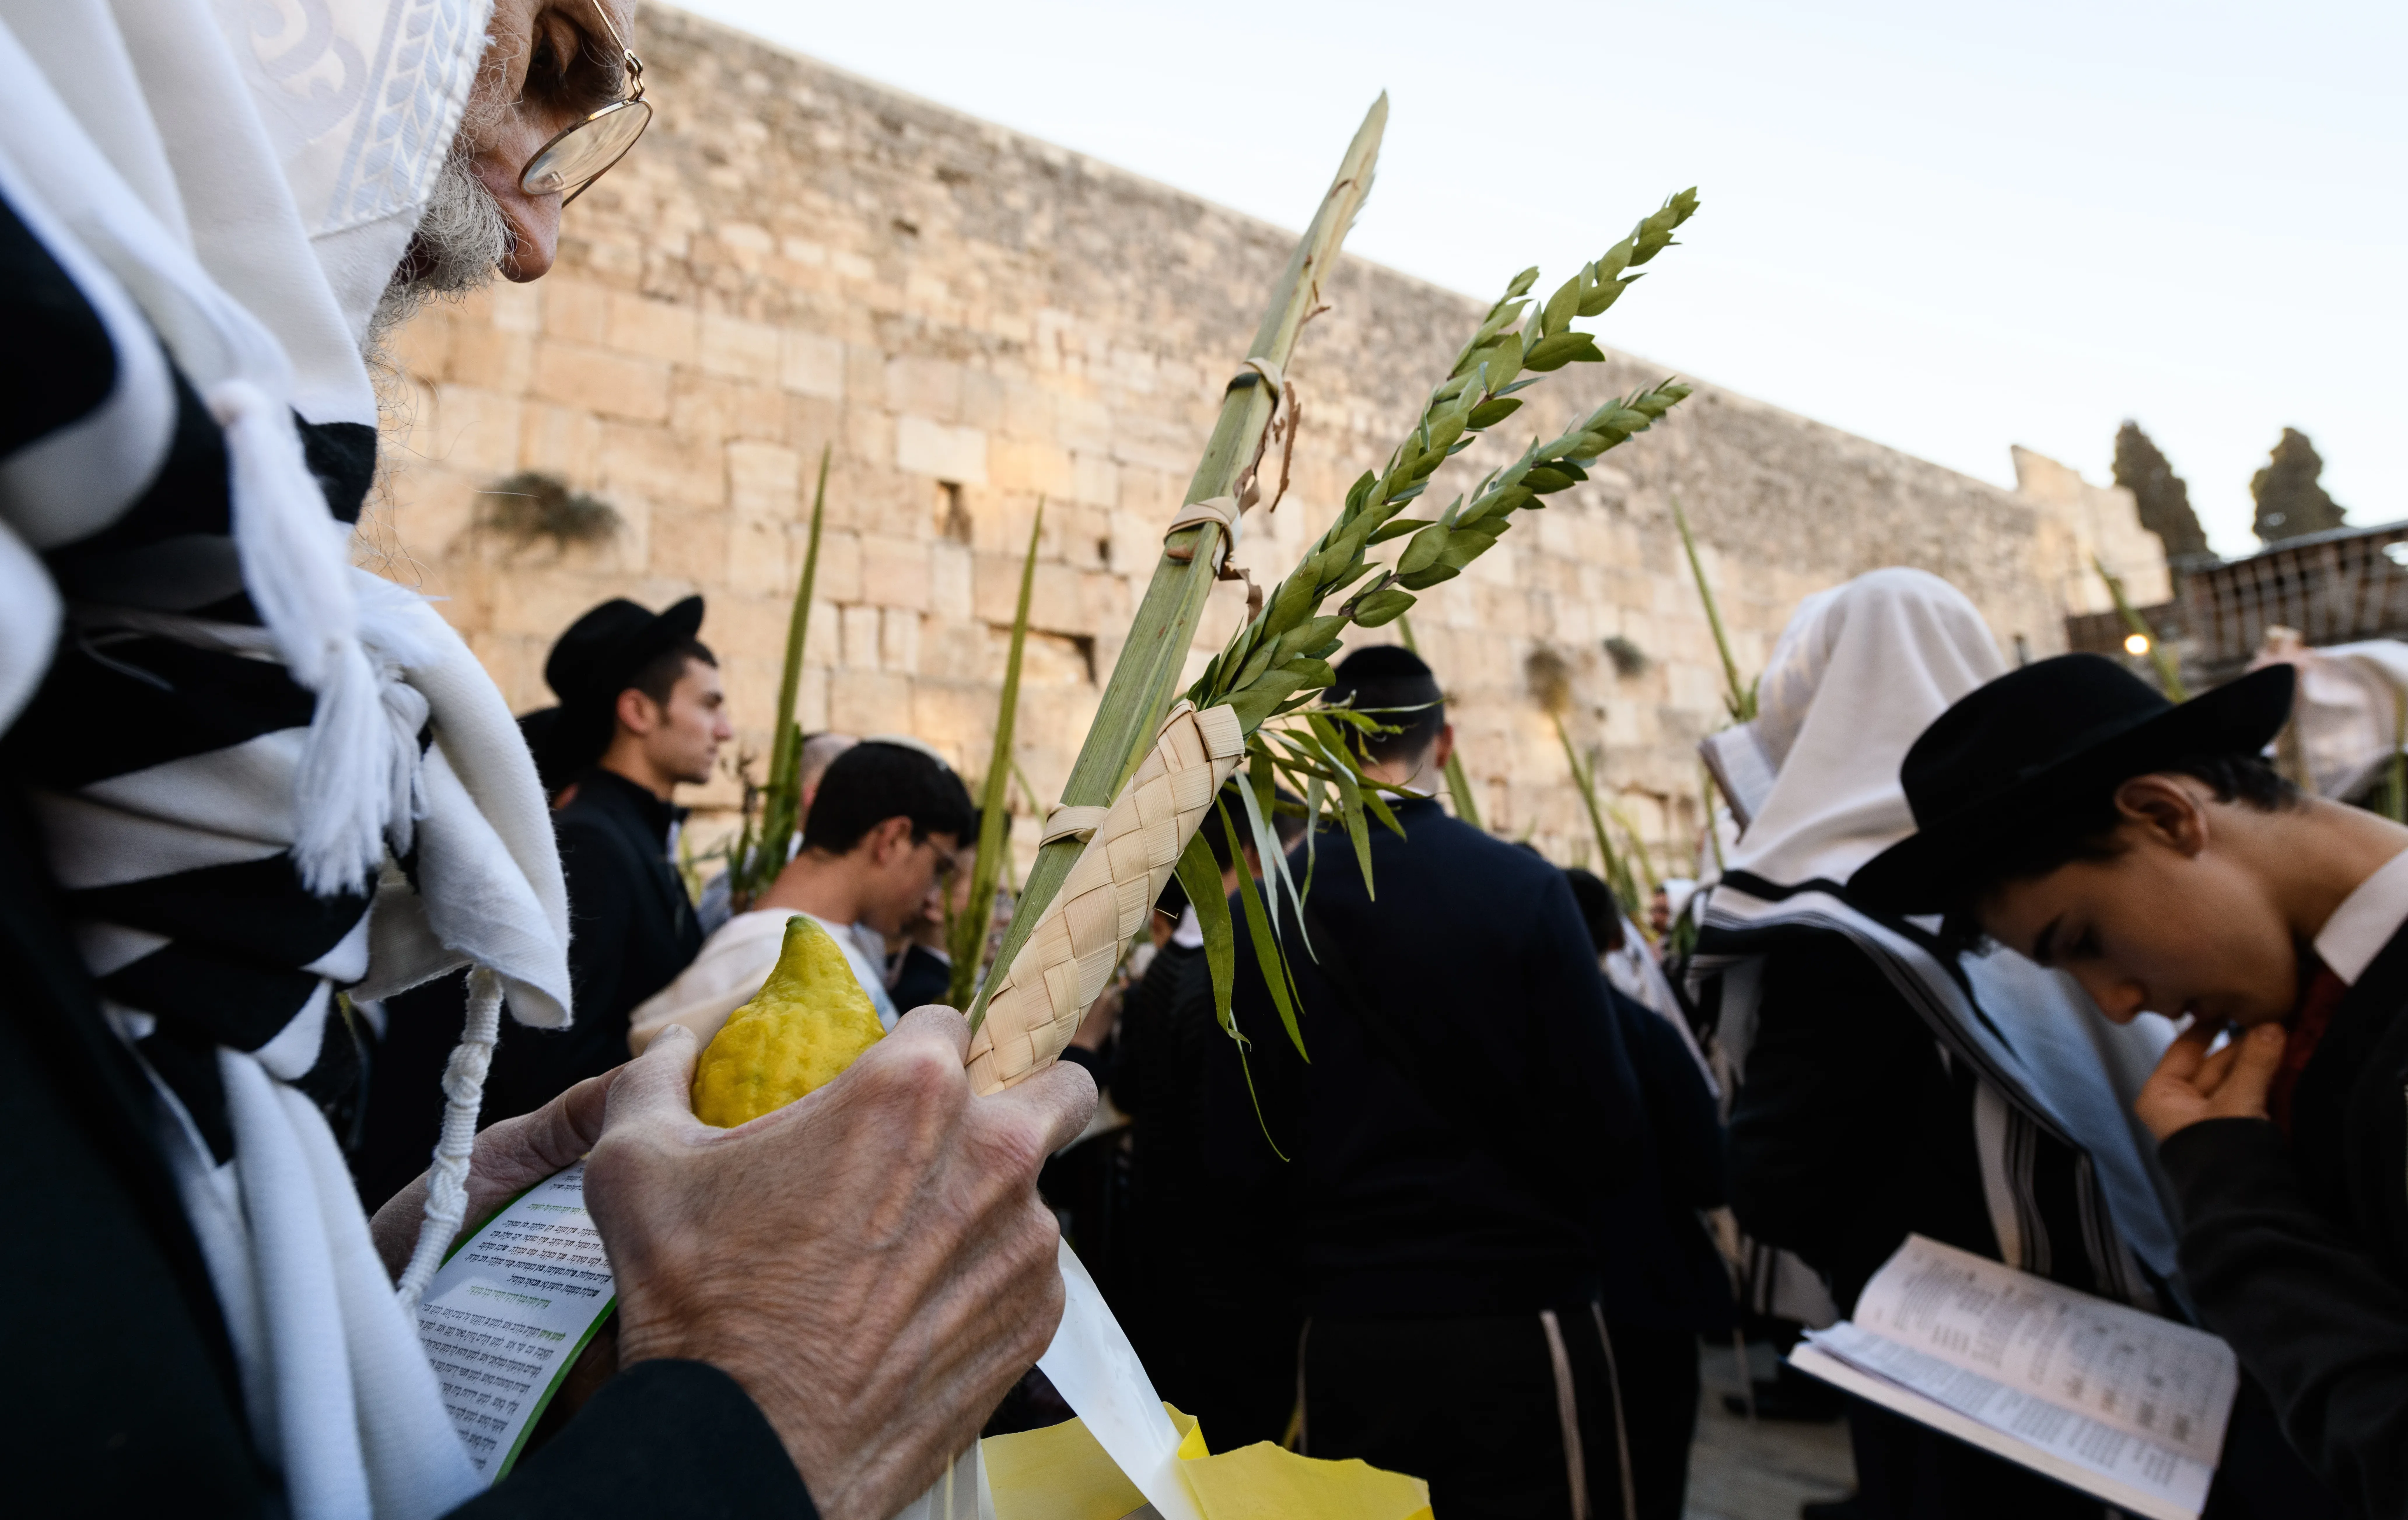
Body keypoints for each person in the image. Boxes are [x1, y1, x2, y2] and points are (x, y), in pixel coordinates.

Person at [0, 3, 1092, 1515]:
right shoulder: (582, 853)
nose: (532, 241)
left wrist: (392, 1265)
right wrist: (766, 1425)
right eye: (545, 60)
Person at [1702, 573, 2333, 1519]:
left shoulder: (1836, 917)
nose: (2118, 1001)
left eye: (2082, 944)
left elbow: (1777, 1180)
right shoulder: (2059, 837)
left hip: (1981, 1370)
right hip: (2185, 1323)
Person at [1852, 651, 2398, 1518]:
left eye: (2085, 941)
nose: (2115, 1003)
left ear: (2166, 816)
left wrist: (2235, 1202)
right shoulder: (2317, 1019)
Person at [1205, 645, 1647, 1519]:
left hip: (1346, 1331)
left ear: (1324, 752)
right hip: (1524, 1322)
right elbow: (1609, 1123)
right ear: (1443, 744)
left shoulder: (1263, 914)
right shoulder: (1528, 890)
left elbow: (1240, 1153)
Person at [628, 742, 973, 1052]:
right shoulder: (786, 964)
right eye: (939, 867)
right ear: (894, 839)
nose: (933, 895)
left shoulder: (751, 940)